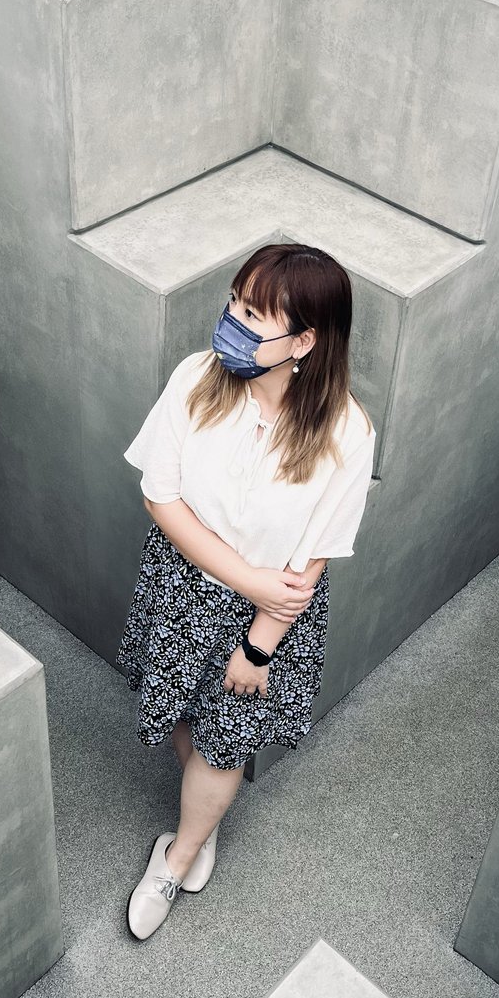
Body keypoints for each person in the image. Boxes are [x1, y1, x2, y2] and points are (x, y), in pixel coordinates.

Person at [116, 243, 377, 940]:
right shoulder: (196, 378)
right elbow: (161, 498)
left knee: (224, 743)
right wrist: (250, 578)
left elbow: (310, 562)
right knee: (178, 709)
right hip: (182, 580)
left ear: (304, 341)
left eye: (254, 315)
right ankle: (202, 823)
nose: (232, 320)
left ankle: (180, 854)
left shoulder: (347, 433)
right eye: (235, 301)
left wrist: (259, 647)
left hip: (269, 619)